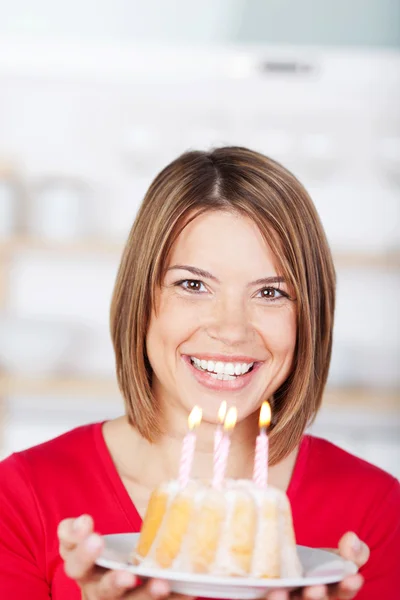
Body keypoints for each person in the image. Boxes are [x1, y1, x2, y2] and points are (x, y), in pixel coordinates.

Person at [0, 147, 398, 600]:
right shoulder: (21, 499)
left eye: (270, 292)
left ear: (310, 317)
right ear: (141, 301)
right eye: (192, 285)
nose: (231, 329)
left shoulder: (376, 514)